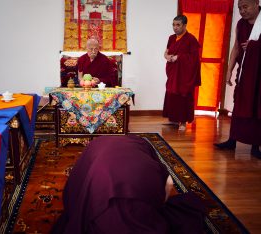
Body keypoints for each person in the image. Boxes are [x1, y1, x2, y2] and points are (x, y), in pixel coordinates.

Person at [51, 135, 205, 234]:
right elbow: (164, 193)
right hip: (129, 189)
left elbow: (75, 183)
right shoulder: (151, 164)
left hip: (103, 179)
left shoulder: (98, 143)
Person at [214, 0, 261, 158]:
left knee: (257, 107)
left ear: (256, 3)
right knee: (239, 105)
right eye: (240, 8)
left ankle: (256, 146)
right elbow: (236, 47)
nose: (242, 11)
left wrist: (256, 46)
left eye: (245, 7)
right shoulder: (241, 24)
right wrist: (229, 70)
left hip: (259, 75)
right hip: (245, 72)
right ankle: (232, 140)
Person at [163, 15, 201, 131]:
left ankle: (183, 122)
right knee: (171, 93)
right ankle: (174, 119)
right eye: (173, 25)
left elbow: (194, 58)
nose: (175, 27)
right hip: (174, 71)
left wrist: (179, 57)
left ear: (185, 25)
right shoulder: (171, 38)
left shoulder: (191, 39)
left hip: (185, 74)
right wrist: (167, 57)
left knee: (183, 95)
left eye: (178, 25)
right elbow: (166, 52)